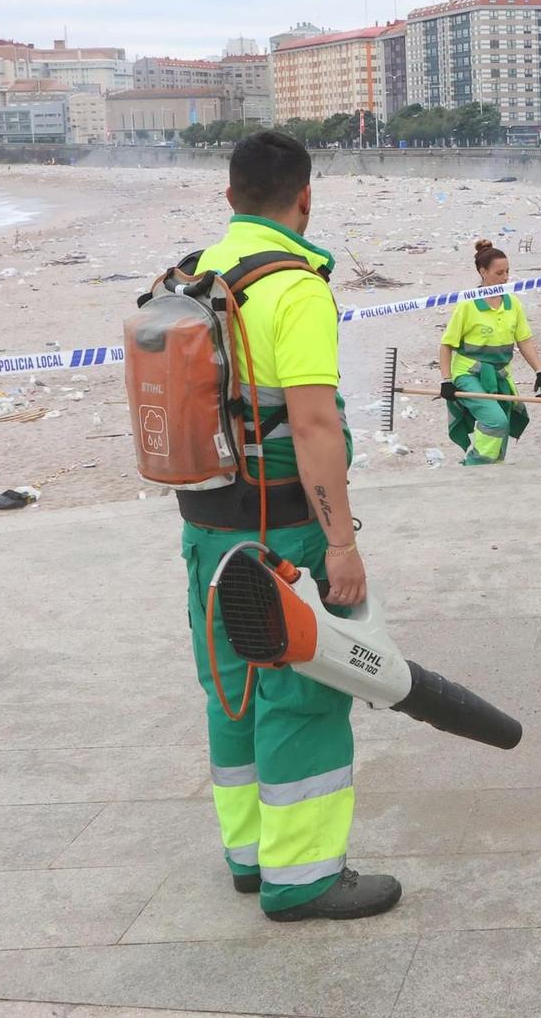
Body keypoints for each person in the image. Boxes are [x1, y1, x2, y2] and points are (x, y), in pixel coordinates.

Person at [182, 130, 400, 922]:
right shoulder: (293, 287)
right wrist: (341, 544)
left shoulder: (195, 275)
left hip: (205, 529)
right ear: (304, 198)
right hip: (282, 534)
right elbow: (313, 426)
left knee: (231, 689)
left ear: (230, 196)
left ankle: (248, 857)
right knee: (303, 697)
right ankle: (301, 876)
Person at [439, 241, 541, 465]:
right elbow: (446, 345)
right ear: (483, 272)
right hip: (468, 375)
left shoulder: (513, 304)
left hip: (500, 374)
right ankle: (474, 464)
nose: (505, 277)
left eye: (507, 271)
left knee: (504, 424)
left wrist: (540, 372)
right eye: (499, 273)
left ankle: (493, 471)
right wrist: (446, 380)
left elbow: (524, 341)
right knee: (495, 420)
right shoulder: (468, 305)